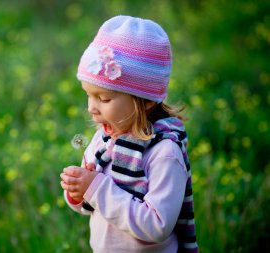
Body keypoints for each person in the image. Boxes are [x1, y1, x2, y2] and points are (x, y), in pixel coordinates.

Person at [60, 15, 198, 253]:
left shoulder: (164, 153)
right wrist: (79, 193)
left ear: (145, 102)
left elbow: (157, 225)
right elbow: (95, 203)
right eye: (88, 95)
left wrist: (96, 188)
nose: (91, 107)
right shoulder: (104, 139)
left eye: (104, 98)